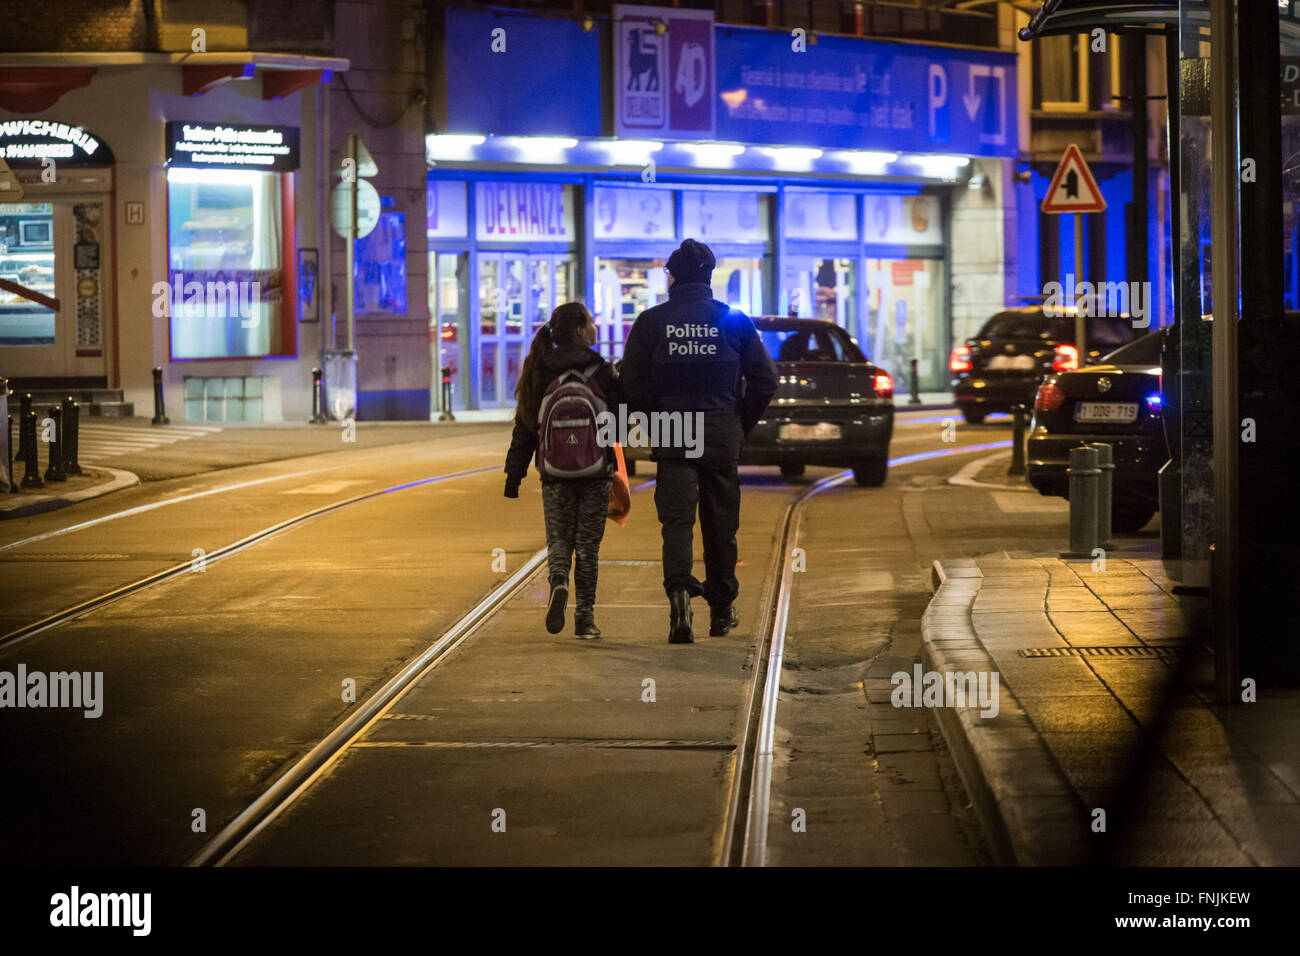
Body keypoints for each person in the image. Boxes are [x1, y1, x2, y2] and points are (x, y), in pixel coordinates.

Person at [619, 239, 778, 644]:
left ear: (672, 277)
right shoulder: (734, 321)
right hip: (721, 427)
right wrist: (740, 422)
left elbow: (630, 383)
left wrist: (656, 418)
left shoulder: (652, 322)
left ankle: (679, 601)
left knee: (676, 520)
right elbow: (765, 380)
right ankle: (721, 610)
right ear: (709, 276)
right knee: (720, 522)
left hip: (674, 429)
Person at [504, 303, 618, 639]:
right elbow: (619, 422)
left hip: (554, 474)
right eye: (592, 323)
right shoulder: (599, 370)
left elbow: (525, 426)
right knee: (587, 546)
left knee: (558, 539)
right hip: (595, 471)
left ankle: (558, 581)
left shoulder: (540, 368)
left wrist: (515, 473)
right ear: (581, 331)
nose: (596, 328)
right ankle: (585, 618)